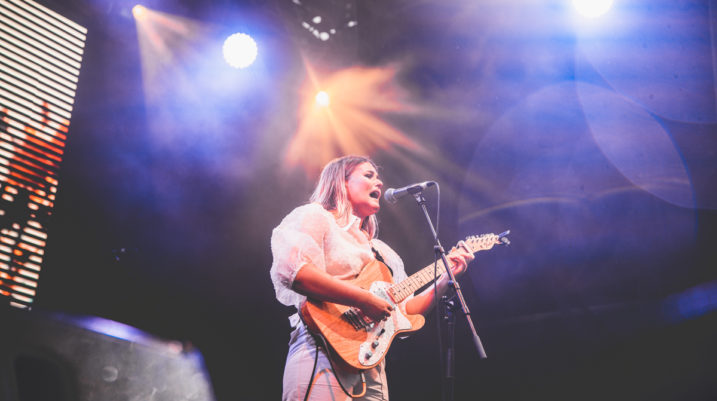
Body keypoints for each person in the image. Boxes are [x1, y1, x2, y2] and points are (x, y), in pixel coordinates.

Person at [270, 155, 475, 400]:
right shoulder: (316, 216)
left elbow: (405, 311)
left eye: (377, 177)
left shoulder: (382, 252)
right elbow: (296, 272)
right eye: (368, 175)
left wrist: (444, 279)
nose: (379, 182)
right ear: (341, 181)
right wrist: (363, 299)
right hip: (321, 348)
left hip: (371, 363)